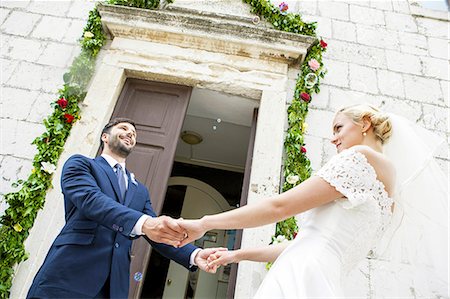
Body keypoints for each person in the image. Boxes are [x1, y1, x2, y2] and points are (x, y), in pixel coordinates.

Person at [178, 104, 449, 297]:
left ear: (365, 123)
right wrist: (237, 255)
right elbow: (305, 243)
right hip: (322, 279)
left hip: (302, 272)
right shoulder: (389, 193)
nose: (333, 138)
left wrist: (204, 223)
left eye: (339, 128)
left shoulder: (359, 159)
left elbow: (278, 207)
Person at [27, 118, 223, 299]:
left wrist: (194, 255)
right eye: (123, 129)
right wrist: (146, 223)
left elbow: (155, 232)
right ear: (105, 136)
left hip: (114, 287)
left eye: (134, 134)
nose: (130, 134)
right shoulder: (81, 165)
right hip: (68, 275)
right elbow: (92, 201)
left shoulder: (140, 191)